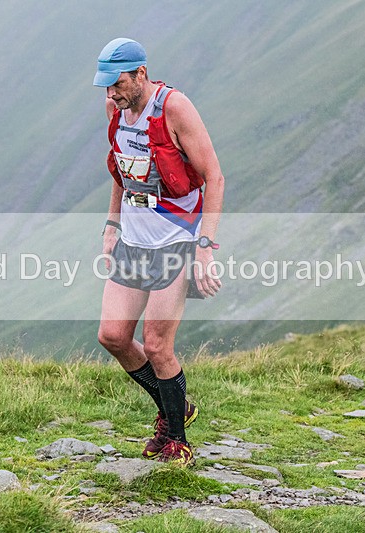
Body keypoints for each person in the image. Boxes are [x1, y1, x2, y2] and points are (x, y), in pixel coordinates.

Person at [93, 38, 225, 465]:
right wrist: (113, 223)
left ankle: (176, 440)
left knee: (156, 345)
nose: (111, 94)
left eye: (118, 85)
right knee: (113, 336)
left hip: (177, 240)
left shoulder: (174, 108)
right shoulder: (115, 108)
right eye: (106, 87)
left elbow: (215, 177)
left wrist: (204, 249)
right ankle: (175, 407)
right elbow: (121, 168)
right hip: (133, 239)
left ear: (141, 74)